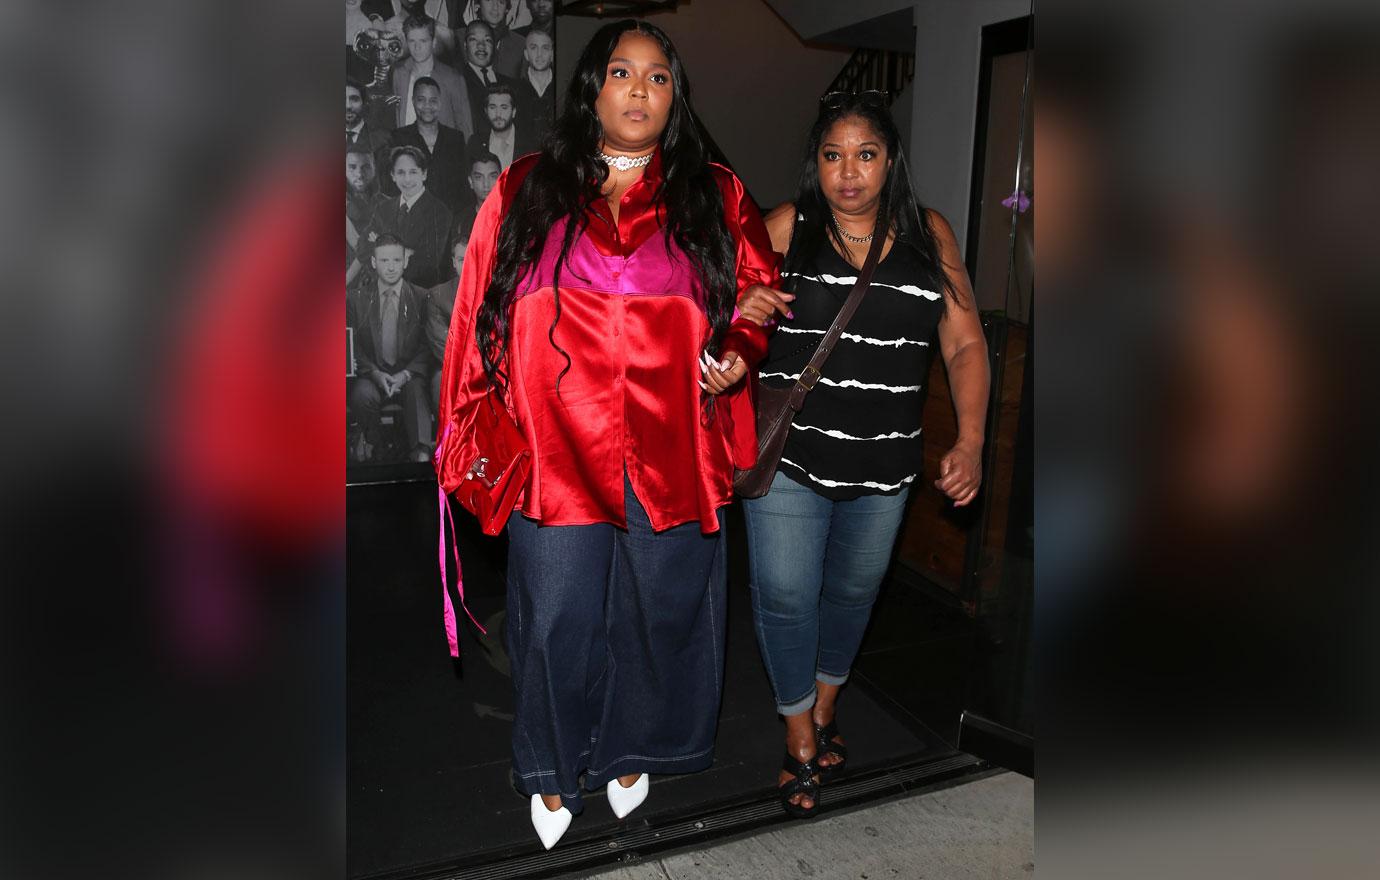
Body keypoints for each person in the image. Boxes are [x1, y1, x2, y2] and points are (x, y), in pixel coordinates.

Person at [433, 19, 784, 850]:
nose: (639, 90)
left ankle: (632, 749)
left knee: (658, 610)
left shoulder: (715, 194)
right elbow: (474, 314)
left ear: (675, 97)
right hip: (555, 449)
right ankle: (554, 765)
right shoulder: (525, 187)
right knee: (555, 617)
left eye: (658, 77)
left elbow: (759, 295)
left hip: (671, 444)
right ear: (592, 88)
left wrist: (737, 352)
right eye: (621, 72)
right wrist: (474, 427)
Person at [739, 91, 991, 818]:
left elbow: (966, 342)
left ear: (890, 161)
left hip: (886, 465)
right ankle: (798, 739)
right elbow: (715, 314)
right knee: (787, 597)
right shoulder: (784, 228)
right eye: (832, 155)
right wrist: (738, 306)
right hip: (791, 455)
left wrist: (971, 439)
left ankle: (824, 706)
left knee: (852, 596)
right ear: (814, 163)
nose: (848, 172)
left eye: (866, 154)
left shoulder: (928, 235)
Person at [348, 234, 436, 463]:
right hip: (372, 373)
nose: (391, 268)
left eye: (397, 260)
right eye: (385, 261)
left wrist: (405, 374)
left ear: (405, 261)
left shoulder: (422, 297)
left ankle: (421, 454)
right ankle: (376, 450)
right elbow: (351, 344)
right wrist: (375, 374)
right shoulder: (356, 299)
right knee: (362, 395)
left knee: (417, 394)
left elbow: (428, 344)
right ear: (374, 263)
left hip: (408, 374)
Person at [365, 145, 454, 288]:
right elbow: (363, 248)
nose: (407, 179)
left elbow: (429, 264)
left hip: (422, 292)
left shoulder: (440, 212)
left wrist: (381, 246)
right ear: (392, 175)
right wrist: (406, 252)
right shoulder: (383, 209)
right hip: (382, 290)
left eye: (413, 172)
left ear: (424, 174)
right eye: (401, 172)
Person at [389, 77, 469, 212]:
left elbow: (463, 184)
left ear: (440, 103)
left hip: (451, 216)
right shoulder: (399, 137)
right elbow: (394, 186)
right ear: (413, 101)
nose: (427, 106)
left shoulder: (455, 138)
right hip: (414, 217)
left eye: (433, 100)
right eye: (421, 100)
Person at [390, 13, 474, 135]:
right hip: (408, 149)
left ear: (433, 42)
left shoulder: (453, 78)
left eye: (423, 41)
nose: (417, 47)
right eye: (412, 41)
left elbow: (465, 127)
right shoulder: (399, 74)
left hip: (442, 151)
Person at [425, 233, 467, 414]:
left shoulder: (494, 293)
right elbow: (440, 344)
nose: (467, 264)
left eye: (474, 257)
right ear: (454, 262)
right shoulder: (438, 295)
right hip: (450, 367)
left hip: (485, 367)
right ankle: (446, 441)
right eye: (461, 259)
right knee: (441, 381)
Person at [456, 19, 517, 138]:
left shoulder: (511, 84)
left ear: (494, 46)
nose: (481, 45)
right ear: (465, 45)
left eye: (487, 40)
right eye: (473, 39)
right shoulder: (457, 81)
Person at [465, 83, 535, 170]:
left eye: (504, 107)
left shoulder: (531, 144)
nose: (498, 114)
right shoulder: (475, 143)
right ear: (486, 111)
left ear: (514, 111)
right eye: (492, 107)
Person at [347, 144, 381, 286]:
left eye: (365, 167)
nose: (359, 174)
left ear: (374, 168)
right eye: (352, 167)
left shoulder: (389, 204)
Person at [514, 28, 556, 137]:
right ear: (526, 54)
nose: (539, 54)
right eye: (533, 48)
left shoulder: (563, 87)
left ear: (552, 54)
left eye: (545, 48)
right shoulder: (514, 89)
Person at [472, 0, 527, 79]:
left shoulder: (521, 44)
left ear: (507, 9)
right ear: (477, 4)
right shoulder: (460, 38)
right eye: (489, 1)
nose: (495, 7)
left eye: (501, 2)